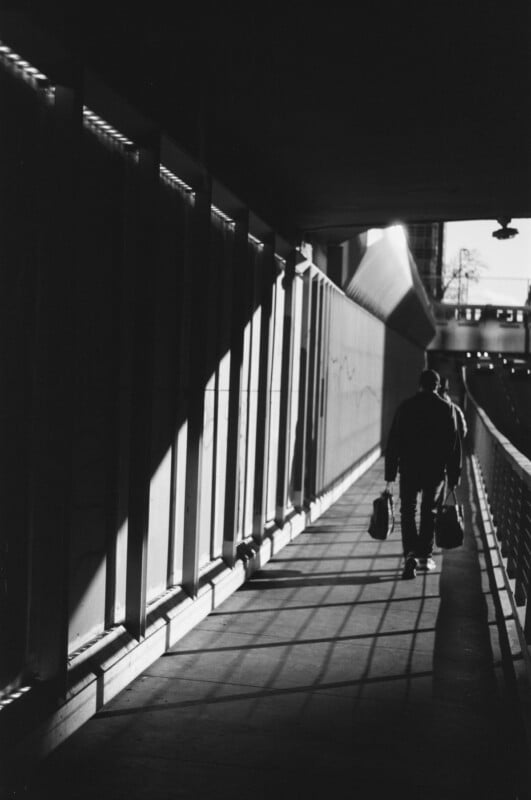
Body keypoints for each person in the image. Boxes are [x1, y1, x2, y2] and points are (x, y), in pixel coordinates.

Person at [384, 369, 461, 579]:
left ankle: (409, 553)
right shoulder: (447, 409)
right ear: (437, 386)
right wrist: (454, 476)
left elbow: (394, 442)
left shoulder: (406, 407)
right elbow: (454, 445)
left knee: (408, 511)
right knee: (429, 512)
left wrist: (390, 475)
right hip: (435, 470)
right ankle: (424, 557)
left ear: (419, 384)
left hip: (409, 468)